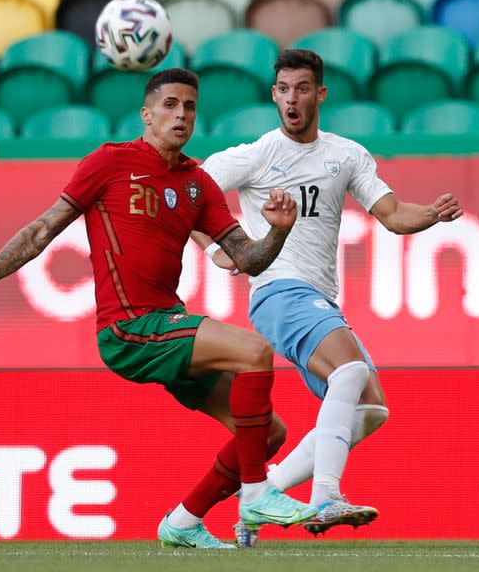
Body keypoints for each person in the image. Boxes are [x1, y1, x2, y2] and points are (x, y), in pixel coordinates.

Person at [0, 67, 318, 549]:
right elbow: (42, 230)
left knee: (267, 434)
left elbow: (246, 257)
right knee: (255, 351)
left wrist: (278, 231)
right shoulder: (110, 163)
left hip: (165, 324)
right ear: (146, 114)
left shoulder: (198, 183)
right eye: (170, 105)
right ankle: (257, 493)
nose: (181, 114)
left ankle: (182, 521)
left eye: (190, 107)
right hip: (128, 329)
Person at [193, 49, 463, 543]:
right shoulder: (255, 155)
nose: (291, 99)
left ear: (320, 94)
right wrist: (218, 248)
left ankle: (261, 496)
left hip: (317, 296)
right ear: (273, 95)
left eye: (301, 89)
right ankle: (324, 497)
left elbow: (395, 213)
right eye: (282, 90)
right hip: (277, 290)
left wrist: (433, 215)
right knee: (351, 370)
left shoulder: (347, 155)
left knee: (370, 407)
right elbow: (189, 192)